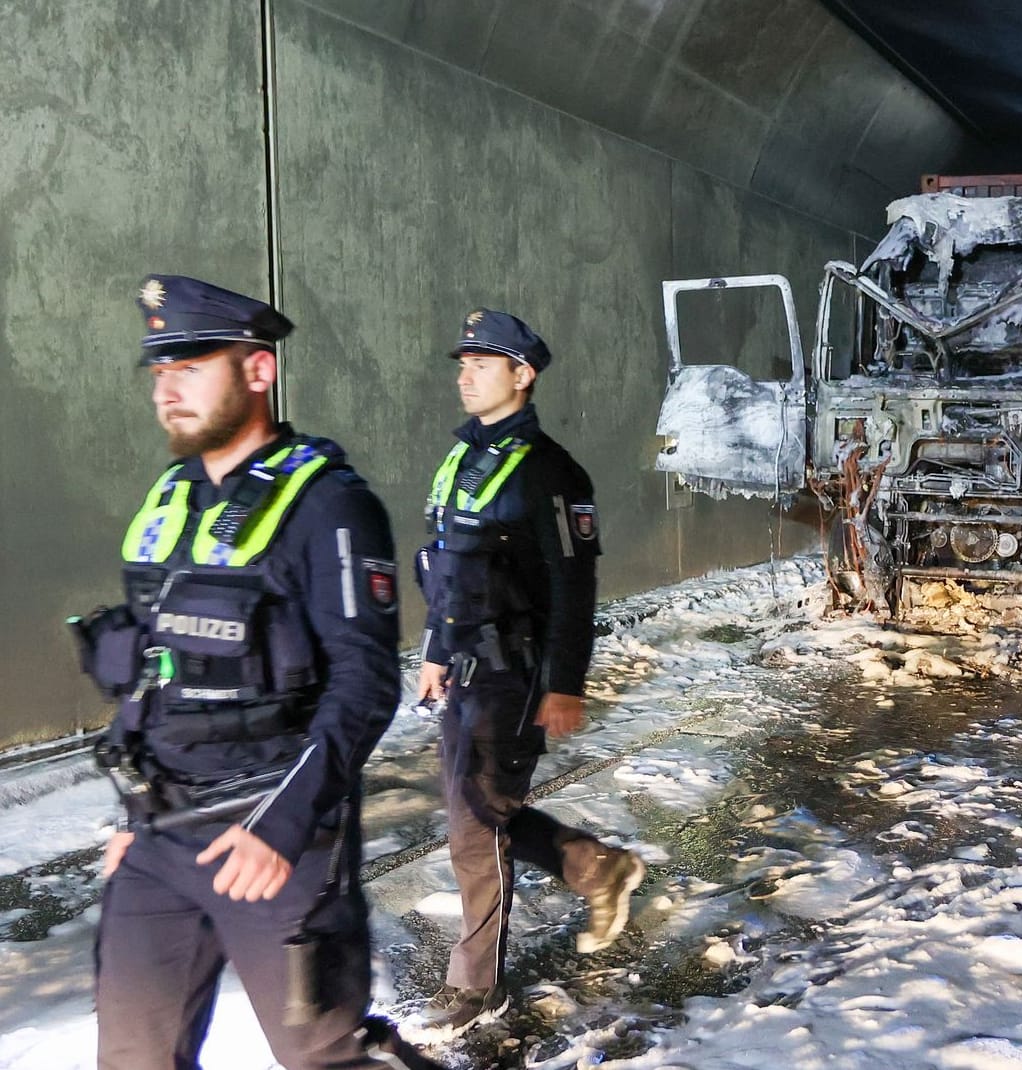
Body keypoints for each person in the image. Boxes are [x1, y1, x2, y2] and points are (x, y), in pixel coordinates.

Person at [74, 276, 438, 1069]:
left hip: (271, 833)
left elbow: (365, 682)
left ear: (257, 372)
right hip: (157, 839)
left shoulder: (330, 506)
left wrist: (282, 826)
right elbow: (151, 668)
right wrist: (128, 820)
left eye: (191, 365)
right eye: (159, 372)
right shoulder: (170, 499)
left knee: (323, 1056)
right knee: (133, 1055)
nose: (168, 388)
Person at [411, 308, 645, 1038]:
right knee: (482, 811)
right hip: (465, 668)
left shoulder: (551, 472)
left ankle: (475, 986)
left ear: (523, 374)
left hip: (514, 675)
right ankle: (593, 867)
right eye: (463, 362)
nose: (466, 373)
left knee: (473, 829)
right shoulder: (460, 459)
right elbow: (447, 570)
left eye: (483, 363)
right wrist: (433, 651)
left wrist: (564, 684)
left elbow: (574, 590)